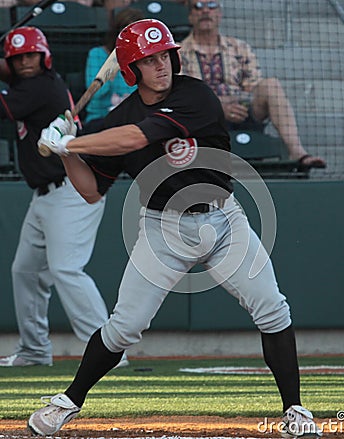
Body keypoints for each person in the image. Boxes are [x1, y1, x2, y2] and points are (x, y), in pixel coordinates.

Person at [27, 19, 322, 438]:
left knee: (273, 308)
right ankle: (67, 403)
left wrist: (70, 142)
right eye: (149, 60)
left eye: (164, 54)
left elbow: (134, 139)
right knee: (124, 327)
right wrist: (66, 154)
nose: (162, 65)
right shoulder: (117, 117)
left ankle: (295, 409)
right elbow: (92, 191)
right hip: (163, 230)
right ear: (132, 69)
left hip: (224, 220)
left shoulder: (195, 95)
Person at [0, 26, 128, 368]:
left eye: (30, 55)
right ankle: (34, 350)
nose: (25, 62)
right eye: (18, 58)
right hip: (42, 196)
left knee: (66, 269)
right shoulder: (27, 85)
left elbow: (4, 108)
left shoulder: (43, 86)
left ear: (44, 57)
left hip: (71, 190)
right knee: (24, 271)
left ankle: (109, 356)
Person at [179, 0, 326, 169]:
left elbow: (252, 86)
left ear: (220, 14)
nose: (205, 11)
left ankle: (298, 152)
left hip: (242, 110)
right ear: (190, 16)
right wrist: (218, 106)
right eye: (198, 7)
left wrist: (232, 102)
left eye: (211, 6)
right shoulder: (179, 52)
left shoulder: (239, 47)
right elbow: (184, 93)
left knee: (271, 85)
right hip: (203, 118)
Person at [84, 7, 143, 128]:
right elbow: (95, 94)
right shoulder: (97, 54)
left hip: (134, 121)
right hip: (101, 118)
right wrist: (111, 69)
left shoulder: (144, 60)